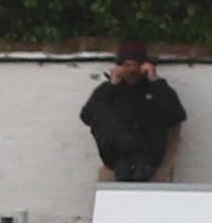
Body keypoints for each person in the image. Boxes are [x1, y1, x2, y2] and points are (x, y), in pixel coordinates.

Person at [80, 41, 188, 185]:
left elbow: (175, 114)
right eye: (127, 65)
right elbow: (88, 115)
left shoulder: (156, 89)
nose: (131, 70)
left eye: (135, 65)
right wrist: (112, 86)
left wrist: (155, 81)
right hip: (116, 158)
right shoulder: (107, 91)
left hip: (149, 157)